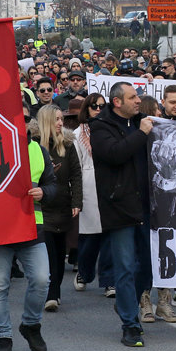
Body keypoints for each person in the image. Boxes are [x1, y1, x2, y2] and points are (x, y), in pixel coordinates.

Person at [0, 106, 56, 351]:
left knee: (40, 279)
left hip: (31, 226)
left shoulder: (38, 150)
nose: (19, 121)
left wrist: (45, 192)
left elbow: (53, 185)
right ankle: (3, 336)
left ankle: (30, 325)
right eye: (14, 116)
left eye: (24, 117)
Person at [90, 82, 155, 347]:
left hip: (146, 206)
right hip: (119, 207)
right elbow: (115, 154)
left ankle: (125, 305)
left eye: (138, 96)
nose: (138, 101)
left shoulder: (144, 122)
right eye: (132, 97)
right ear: (117, 102)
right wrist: (141, 134)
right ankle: (130, 324)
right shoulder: (101, 127)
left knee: (147, 269)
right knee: (126, 267)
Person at [35, 105, 83, 313]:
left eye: (61, 119)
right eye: (56, 119)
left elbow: (76, 175)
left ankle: (55, 291)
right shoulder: (34, 146)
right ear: (46, 121)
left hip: (63, 205)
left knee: (59, 252)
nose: (60, 123)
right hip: (41, 208)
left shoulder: (68, 145)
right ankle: (50, 294)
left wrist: (77, 202)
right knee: (48, 254)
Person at [72, 94, 115, 298]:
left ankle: (108, 281)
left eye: (102, 106)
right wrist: (76, 195)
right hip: (88, 187)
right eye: (94, 106)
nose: (98, 109)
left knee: (109, 236)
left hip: (109, 187)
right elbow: (76, 167)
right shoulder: (77, 134)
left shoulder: (111, 130)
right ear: (86, 109)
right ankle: (84, 272)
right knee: (90, 237)